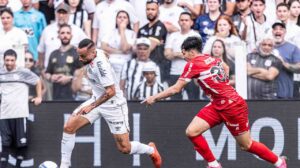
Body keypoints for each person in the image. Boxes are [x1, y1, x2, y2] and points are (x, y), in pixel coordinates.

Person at [141, 36, 287, 168]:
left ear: (190, 52)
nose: (183, 56)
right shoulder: (212, 59)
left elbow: (176, 89)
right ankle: (214, 165)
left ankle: (279, 162)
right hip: (218, 103)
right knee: (192, 131)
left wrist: (154, 97)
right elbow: (226, 68)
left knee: (246, 145)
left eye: (183, 53)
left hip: (231, 105)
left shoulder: (193, 64)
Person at [59, 39, 162, 168]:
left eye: (83, 56)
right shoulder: (97, 52)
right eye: (79, 55)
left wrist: (91, 106)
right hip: (97, 98)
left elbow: (111, 91)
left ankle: (151, 150)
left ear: (92, 53)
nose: (80, 59)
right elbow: (105, 53)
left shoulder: (101, 67)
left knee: (125, 148)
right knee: (69, 127)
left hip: (113, 105)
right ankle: (64, 165)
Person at [0, 49, 42, 168]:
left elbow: (38, 81)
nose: (9, 62)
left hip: (19, 112)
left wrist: (39, 97)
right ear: (4, 60)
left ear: (16, 60)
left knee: (21, 143)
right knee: (5, 143)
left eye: (12, 60)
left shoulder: (23, 72)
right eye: (7, 60)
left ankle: (18, 166)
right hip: (3, 113)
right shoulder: (0, 72)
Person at [164, 12, 200, 100]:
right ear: (178, 22)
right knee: (175, 103)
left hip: (192, 73)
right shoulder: (172, 36)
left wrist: (176, 54)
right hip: (175, 73)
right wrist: (184, 54)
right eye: (182, 20)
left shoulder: (195, 36)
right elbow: (166, 54)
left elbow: (196, 56)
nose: (184, 22)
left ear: (191, 22)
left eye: (186, 20)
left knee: (193, 101)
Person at [44, 23, 82, 100]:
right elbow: (47, 73)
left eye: (68, 33)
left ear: (71, 36)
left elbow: (83, 72)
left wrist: (70, 78)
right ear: (58, 36)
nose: (65, 35)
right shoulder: (53, 54)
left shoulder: (77, 53)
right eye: (62, 33)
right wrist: (51, 77)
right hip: (55, 95)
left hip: (72, 96)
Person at [137, 0, 169, 82]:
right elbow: (136, 49)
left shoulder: (160, 26)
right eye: (148, 9)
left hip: (157, 66)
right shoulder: (142, 29)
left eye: (153, 9)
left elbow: (149, 48)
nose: (150, 12)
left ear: (158, 11)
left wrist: (142, 46)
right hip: (142, 66)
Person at [101, 10, 136, 82]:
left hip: (125, 64)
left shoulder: (132, 33)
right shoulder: (110, 32)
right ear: (116, 20)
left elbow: (125, 47)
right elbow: (103, 46)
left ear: (128, 21)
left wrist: (122, 30)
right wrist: (120, 51)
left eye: (124, 17)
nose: (122, 19)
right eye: (119, 17)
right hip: (110, 64)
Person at [272, 21, 300, 99]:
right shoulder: (265, 46)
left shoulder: (293, 48)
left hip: (284, 93)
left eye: (281, 29)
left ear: (285, 32)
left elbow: (299, 68)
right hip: (266, 94)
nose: (278, 31)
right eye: (275, 29)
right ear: (272, 32)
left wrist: (283, 63)